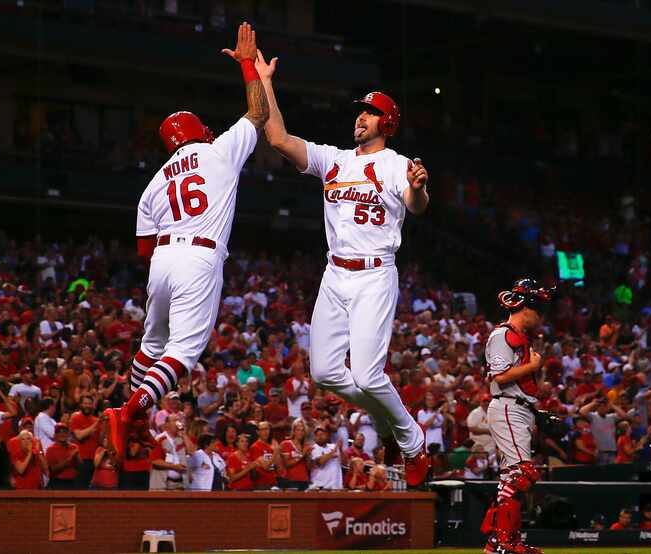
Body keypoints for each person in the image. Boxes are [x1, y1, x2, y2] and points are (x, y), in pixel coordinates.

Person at [255, 49, 431, 486]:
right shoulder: (336, 159)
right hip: (334, 274)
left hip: (374, 273)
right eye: (360, 112)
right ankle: (388, 420)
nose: (361, 118)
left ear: (386, 123)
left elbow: (416, 206)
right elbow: (278, 138)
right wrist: (264, 82)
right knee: (324, 373)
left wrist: (418, 190)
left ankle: (412, 442)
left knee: (369, 374)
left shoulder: (396, 165)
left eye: (370, 114)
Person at [104, 22, 269, 459]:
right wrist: (249, 65)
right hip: (200, 256)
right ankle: (131, 412)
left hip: (162, 260)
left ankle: (131, 415)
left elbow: (144, 252)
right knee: (184, 352)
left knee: (152, 345)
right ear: (200, 131)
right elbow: (258, 114)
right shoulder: (217, 152)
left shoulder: (154, 183)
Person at [480, 279, 553, 554]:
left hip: (519, 408)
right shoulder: (502, 334)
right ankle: (504, 542)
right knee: (521, 474)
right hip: (508, 406)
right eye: (539, 311)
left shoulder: (522, 338)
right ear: (526, 309)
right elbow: (500, 376)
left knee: (511, 478)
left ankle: (498, 542)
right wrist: (534, 365)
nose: (541, 317)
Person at [70, 395, 101, 488]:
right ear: (81, 405)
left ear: (93, 405)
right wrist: (96, 424)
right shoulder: (75, 417)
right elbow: (79, 436)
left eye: (89, 403)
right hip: (81, 461)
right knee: (80, 489)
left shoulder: (96, 420)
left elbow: (100, 441)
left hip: (95, 461)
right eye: (85, 403)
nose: (87, 405)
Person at [150, 414, 188, 490]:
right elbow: (154, 461)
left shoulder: (182, 439)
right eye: (175, 421)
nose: (178, 423)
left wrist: (184, 434)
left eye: (179, 421)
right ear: (167, 424)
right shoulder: (159, 439)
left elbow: (192, 451)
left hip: (180, 484)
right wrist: (174, 467)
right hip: (163, 484)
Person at [278, 418, 311, 490]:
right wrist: (302, 454)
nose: (300, 432)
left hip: (304, 480)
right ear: (294, 431)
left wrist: (308, 456)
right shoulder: (286, 444)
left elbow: (309, 467)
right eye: (298, 430)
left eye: (302, 430)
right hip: (290, 480)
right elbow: (287, 464)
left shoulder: (306, 446)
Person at [45, 423, 81, 489]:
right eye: (59, 432)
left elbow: (79, 467)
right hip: (58, 483)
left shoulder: (74, 447)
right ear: (55, 435)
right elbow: (51, 470)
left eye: (64, 432)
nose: (62, 434)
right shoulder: (51, 449)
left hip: (73, 483)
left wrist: (76, 458)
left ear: (68, 434)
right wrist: (69, 459)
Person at [309, 425, 343, 490]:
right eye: (317, 435)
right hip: (319, 487)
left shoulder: (333, 446)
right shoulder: (313, 448)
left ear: (327, 435)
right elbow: (320, 462)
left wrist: (341, 449)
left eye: (322, 434)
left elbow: (344, 462)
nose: (320, 437)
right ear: (314, 438)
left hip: (336, 486)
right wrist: (332, 453)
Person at [249, 421, 277, 490]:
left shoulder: (271, 446)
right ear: (257, 432)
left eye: (267, 429)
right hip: (261, 485)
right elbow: (266, 466)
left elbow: (277, 467)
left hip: (273, 483)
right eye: (262, 429)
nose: (265, 432)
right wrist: (276, 452)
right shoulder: (255, 447)